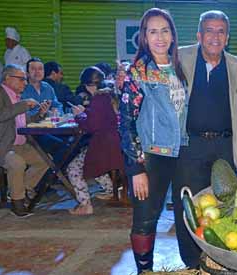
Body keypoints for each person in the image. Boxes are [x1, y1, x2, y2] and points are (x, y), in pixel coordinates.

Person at [119, 8, 188, 274]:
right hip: (151, 156)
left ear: (172, 34)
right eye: (152, 31)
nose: (159, 37)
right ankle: (144, 270)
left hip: (182, 153)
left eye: (164, 30)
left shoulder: (181, 68)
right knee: (146, 219)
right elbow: (125, 124)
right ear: (144, 38)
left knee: (188, 213)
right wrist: (136, 169)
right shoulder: (138, 73)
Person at [173, 10, 237, 268]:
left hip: (225, 146)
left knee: (225, 205)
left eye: (221, 31)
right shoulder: (181, 57)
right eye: (209, 30)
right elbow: (151, 66)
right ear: (199, 35)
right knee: (187, 204)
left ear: (227, 37)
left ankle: (219, 260)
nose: (215, 36)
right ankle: (191, 263)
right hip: (190, 146)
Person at [0, 64, 50, 217]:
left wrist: (40, 114)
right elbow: (1, 115)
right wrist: (24, 104)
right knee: (17, 163)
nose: (25, 83)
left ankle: (19, 189)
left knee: (46, 161)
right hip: (0, 146)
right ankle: (17, 203)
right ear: (8, 78)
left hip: (20, 144)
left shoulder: (18, 98)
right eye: (21, 79)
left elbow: (23, 123)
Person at [66, 66, 124, 215]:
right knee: (94, 165)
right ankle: (111, 190)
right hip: (114, 143)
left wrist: (79, 116)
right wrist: (86, 112)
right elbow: (102, 118)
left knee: (73, 169)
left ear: (89, 85)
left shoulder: (98, 99)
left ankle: (85, 204)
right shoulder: (109, 95)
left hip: (103, 145)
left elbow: (92, 126)